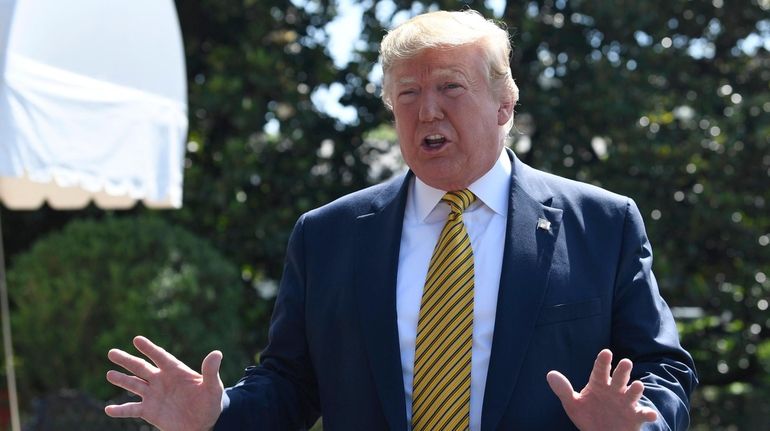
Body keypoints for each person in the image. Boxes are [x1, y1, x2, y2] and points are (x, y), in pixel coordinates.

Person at [105, 9, 697, 431]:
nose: (427, 110)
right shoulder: (328, 235)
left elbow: (662, 366)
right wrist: (220, 415)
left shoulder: (601, 223)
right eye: (407, 94)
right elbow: (291, 382)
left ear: (504, 105)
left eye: (449, 87)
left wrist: (640, 424)